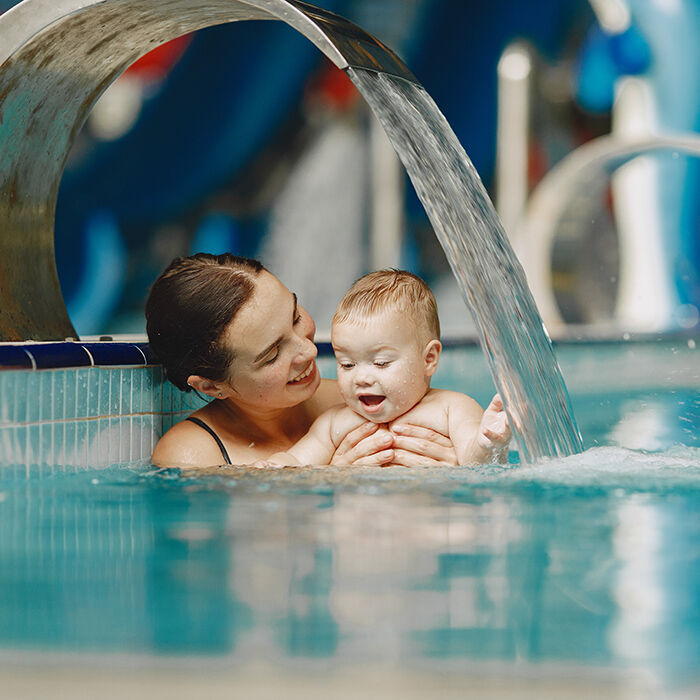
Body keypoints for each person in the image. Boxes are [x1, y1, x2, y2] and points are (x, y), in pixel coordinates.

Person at [146, 253, 461, 468]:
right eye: (272, 354)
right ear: (212, 386)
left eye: (296, 317)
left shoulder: (361, 400)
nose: (309, 351)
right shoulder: (193, 454)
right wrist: (327, 481)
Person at [263, 270, 511, 467]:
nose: (361, 378)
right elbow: (295, 464)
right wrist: (270, 466)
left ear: (429, 359)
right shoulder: (334, 423)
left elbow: (476, 462)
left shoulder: (451, 409)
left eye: (381, 363)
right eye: (347, 364)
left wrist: (487, 443)